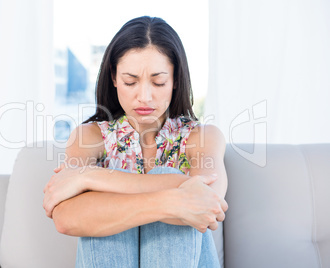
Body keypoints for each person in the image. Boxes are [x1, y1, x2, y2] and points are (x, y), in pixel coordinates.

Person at [43, 16, 228, 267]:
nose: (144, 96)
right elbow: (66, 218)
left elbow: (209, 203)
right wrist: (172, 201)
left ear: (175, 80)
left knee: (107, 199)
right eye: (131, 81)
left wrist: (90, 177)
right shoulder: (89, 137)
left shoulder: (202, 137)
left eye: (158, 81)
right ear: (114, 77)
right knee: (102, 208)